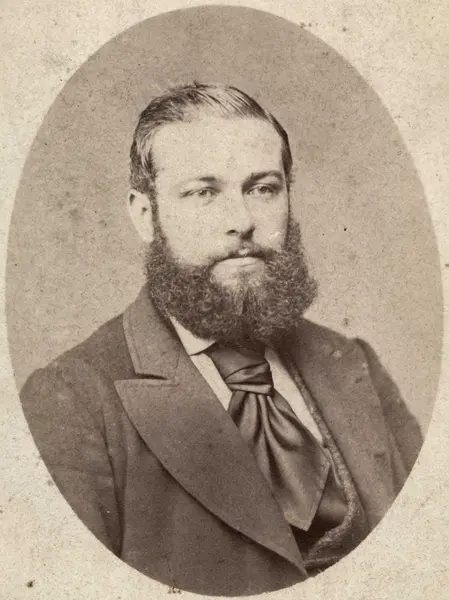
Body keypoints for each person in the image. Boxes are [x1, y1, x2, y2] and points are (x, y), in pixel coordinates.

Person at [20, 82, 423, 596]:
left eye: (263, 189)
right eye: (203, 192)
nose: (241, 222)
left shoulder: (351, 363)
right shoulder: (72, 400)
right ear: (145, 215)